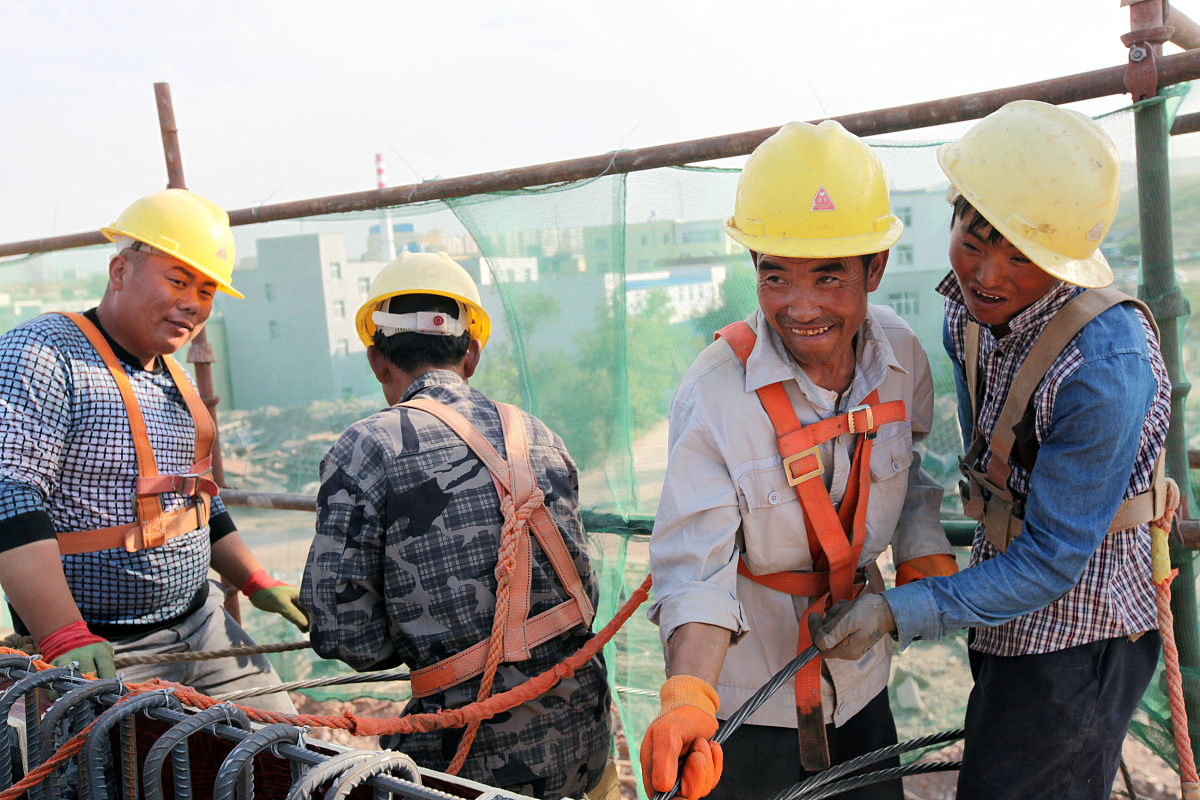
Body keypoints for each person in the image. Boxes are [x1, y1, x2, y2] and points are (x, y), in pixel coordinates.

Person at [809, 100, 1171, 800]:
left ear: (1063, 261)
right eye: (974, 241)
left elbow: (1054, 562)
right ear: (954, 211)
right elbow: (990, 461)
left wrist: (896, 612)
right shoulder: (966, 314)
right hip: (1005, 612)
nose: (989, 275)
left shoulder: (1104, 364)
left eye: (1022, 257)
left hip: (1079, 635)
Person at [642, 120, 958, 800]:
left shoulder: (901, 360)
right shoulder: (715, 394)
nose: (800, 305)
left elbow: (911, 477)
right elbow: (696, 570)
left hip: (863, 683)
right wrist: (691, 692)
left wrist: (922, 554)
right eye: (775, 275)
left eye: (828, 276)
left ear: (874, 268)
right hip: (750, 705)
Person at [300, 251, 612, 800]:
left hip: (468, 765)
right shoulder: (540, 435)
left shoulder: (366, 447)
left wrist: (429, 637)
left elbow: (345, 633)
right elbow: (582, 590)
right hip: (584, 742)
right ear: (471, 352)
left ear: (377, 360)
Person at [0, 189, 306, 713]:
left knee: (280, 755)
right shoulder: (41, 354)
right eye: (178, 279)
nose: (193, 302)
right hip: (100, 647)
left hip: (204, 621)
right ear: (119, 271)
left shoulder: (175, 375)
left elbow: (198, 504)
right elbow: (10, 500)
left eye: (207, 289)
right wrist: (62, 634)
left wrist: (254, 581)